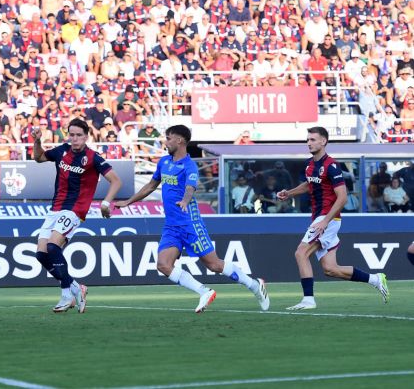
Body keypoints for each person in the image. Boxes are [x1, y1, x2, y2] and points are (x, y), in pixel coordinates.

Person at [115, 125, 269, 313]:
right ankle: (204, 291)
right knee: (163, 265)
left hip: (190, 221)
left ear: (179, 140)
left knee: (213, 264)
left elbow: (190, 188)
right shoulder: (164, 162)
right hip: (172, 225)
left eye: (169, 138)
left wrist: (185, 201)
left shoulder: (189, 165)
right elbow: (150, 186)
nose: (166, 141)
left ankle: (254, 285)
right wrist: (128, 202)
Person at [277, 127, 389, 310]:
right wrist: (288, 193)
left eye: (313, 139)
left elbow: (342, 197)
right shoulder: (309, 165)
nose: (309, 143)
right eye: (308, 139)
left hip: (327, 219)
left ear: (323, 142)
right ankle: (376, 279)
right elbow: (309, 184)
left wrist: (325, 221)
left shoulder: (332, 166)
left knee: (301, 253)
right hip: (320, 218)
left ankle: (308, 300)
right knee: (331, 268)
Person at [31, 117, 122, 314]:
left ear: (86, 136)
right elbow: (38, 158)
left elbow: (116, 181)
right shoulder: (62, 151)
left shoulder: (93, 158)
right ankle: (75, 287)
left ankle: (66, 295)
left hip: (76, 209)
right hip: (55, 208)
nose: (74, 139)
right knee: (41, 254)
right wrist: (37, 141)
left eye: (79, 135)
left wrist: (106, 203)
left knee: (53, 246)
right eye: (71, 135)